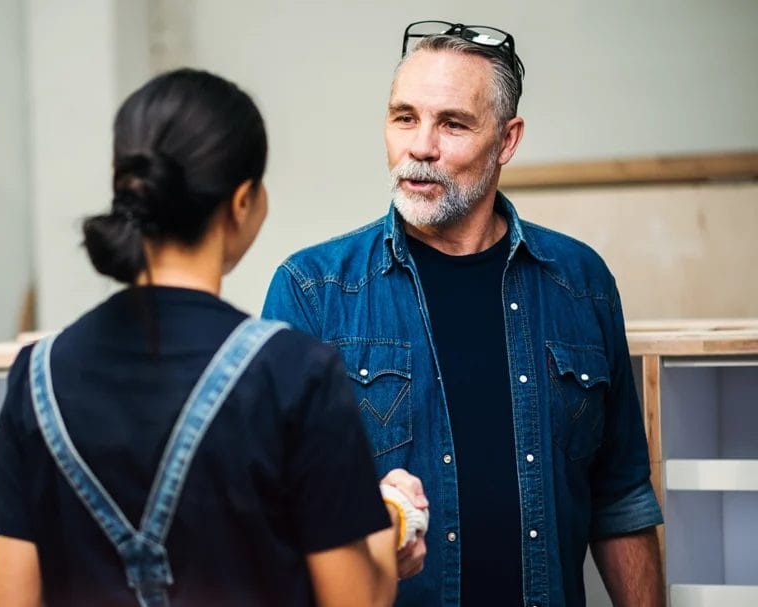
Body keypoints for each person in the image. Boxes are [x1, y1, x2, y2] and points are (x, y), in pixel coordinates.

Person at [0, 68, 426, 607]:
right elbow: (355, 601)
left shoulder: (36, 376)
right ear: (243, 202)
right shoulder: (294, 373)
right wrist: (392, 519)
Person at [262, 20, 664, 607]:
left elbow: (621, 496)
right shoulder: (313, 290)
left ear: (506, 140)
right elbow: (265, 506)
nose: (420, 147)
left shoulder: (582, 284)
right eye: (405, 117)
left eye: (452, 124)